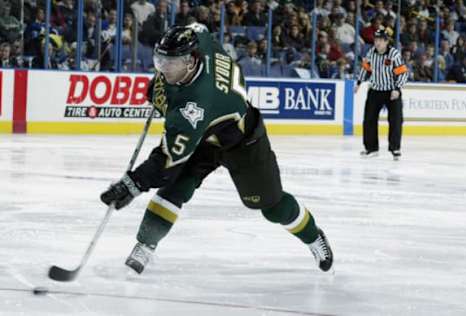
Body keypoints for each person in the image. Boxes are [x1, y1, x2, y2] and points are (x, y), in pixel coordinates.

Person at [100, 23, 334, 274]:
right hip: (206, 136)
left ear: (190, 62)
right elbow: (198, 27)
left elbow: (165, 163)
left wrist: (132, 183)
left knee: (271, 205)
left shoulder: (196, 106)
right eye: (161, 62)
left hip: (241, 141)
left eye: (171, 64)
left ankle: (313, 236)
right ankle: (146, 244)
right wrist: (161, 86)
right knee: (176, 188)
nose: (163, 69)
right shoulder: (198, 40)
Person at [355, 28, 408, 160]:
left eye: (380, 40)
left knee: (395, 120)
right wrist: (359, 82)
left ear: (386, 41)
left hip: (392, 91)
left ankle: (395, 148)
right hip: (375, 90)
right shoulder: (371, 52)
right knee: (369, 119)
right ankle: (371, 148)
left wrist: (397, 88)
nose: (377, 43)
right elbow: (365, 68)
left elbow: (402, 73)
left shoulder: (393, 54)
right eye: (376, 40)